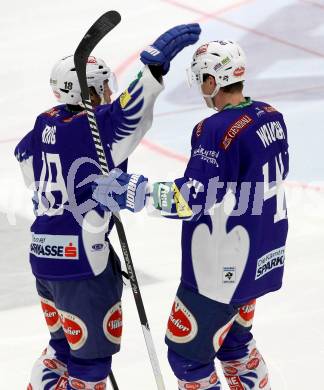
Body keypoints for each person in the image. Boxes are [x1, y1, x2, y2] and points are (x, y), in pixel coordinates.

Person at [93, 40, 289, 389]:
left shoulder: (213, 130)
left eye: (202, 79)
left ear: (214, 80)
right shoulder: (270, 115)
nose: (201, 87)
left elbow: (193, 197)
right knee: (234, 346)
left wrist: (134, 190)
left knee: (187, 356)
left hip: (222, 268)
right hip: (260, 256)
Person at [15, 24, 201, 390]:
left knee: (60, 351)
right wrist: (153, 70)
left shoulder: (44, 123)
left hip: (44, 256)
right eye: (103, 87)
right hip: (82, 263)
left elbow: (23, 157)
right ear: (89, 90)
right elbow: (130, 114)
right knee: (90, 367)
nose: (109, 93)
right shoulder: (92, 127)